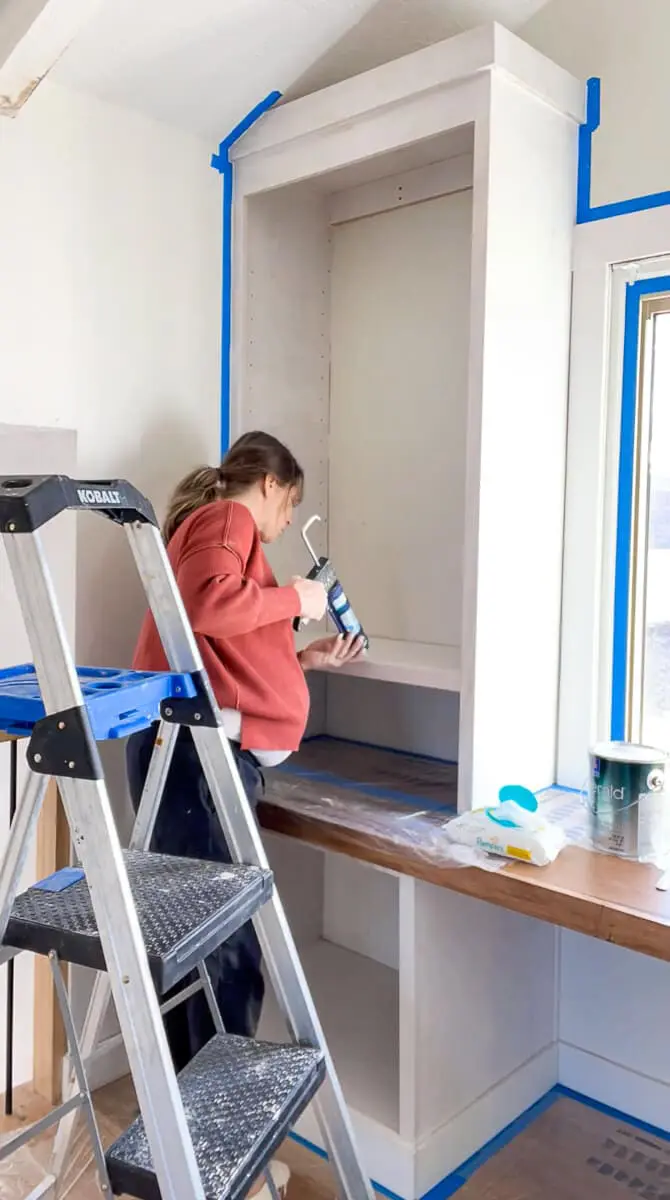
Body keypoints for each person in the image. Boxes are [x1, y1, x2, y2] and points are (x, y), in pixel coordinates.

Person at [126, 430, 364, 1197]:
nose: (289, 522)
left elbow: (221, 644)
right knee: (223, 956)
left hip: (189, 754)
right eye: (290, 504)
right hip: (197, 760)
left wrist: (302, 653)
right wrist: (300, 596)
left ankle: (189, 1149)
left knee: (192, 951)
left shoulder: (212, 536)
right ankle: (228, 1160)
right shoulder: (226, 520)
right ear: (266, 483)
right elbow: (209, 603)